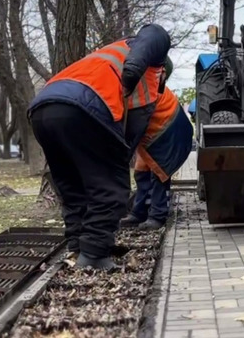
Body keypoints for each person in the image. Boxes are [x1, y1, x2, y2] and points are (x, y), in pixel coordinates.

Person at [28, 23, 171, 270]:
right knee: (110, 186)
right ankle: (93, 255)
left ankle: (78, 246)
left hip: (43, 109)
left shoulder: (102, 58)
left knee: (73, 186)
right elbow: (155, 33)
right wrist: (133, 72)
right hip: (87, 106)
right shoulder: (149, 61)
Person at [120, 59, 193, 230]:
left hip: (167, 131)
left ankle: (158, 215)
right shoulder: (137, 84)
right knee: (141, 173)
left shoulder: (145, 88)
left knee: (159, 174)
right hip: (153, 134)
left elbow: (133, 123)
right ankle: (139, 213)